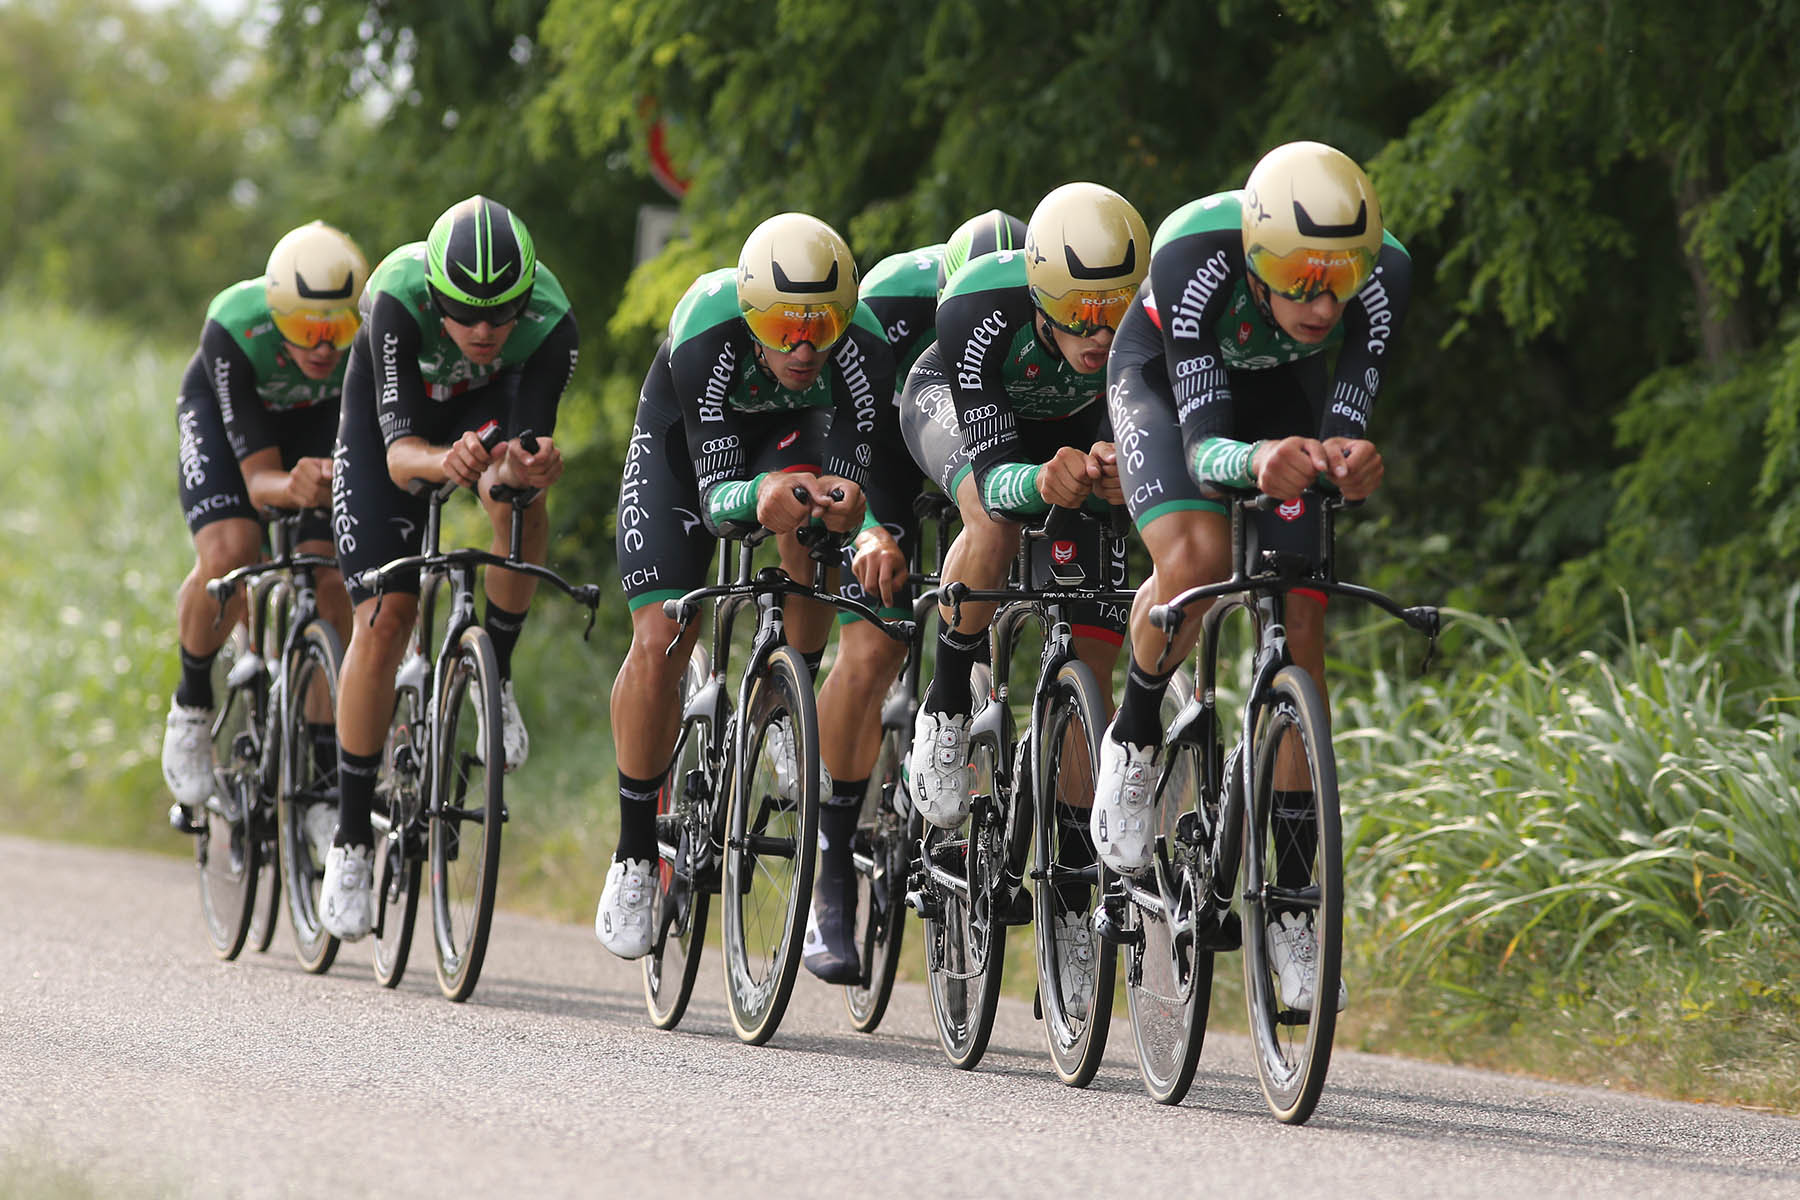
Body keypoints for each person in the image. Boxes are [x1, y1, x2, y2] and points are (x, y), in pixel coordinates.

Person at [1101, 140, 1413, 1012]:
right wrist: (1259, 458)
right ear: (1255, 254)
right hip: (1168, 386)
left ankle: (1294, 913)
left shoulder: (1383, 277)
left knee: (1301, 629)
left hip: (1279, 396)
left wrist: (1348, 459)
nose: (1322, 303)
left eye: (1339, 282)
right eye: (1300, 278)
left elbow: (1345, 414)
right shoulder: (1193, 254)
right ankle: (1132, 738)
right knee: (1196, 559)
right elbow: (1204, 450)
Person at [596, 213, 895, 968]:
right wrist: (755, 495)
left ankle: (785, 702)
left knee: (815, 510)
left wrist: (849, 502)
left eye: (819, 327)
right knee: (663, 637)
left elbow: (858, 471)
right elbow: (713, 492)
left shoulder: (862, 350)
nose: (802, 347)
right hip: (688, 451)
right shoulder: (708, 330)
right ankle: (635, 852)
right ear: (750, 311)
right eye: (782, 327)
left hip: (793, 441)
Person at [900, 183, 1147, 1014]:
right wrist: (1041, 477)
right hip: (967, 416)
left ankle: (1071, 907)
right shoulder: (980, 305)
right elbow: (1004, 465)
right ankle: (941, 707)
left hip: (1067, 438)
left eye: (1112, 313)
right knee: (993, 522)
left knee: (1092, 661)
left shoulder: (1138, 324)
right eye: (1077, 314)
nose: (1098, 333)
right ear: (1040, 296)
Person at [319, 195, 579, 940]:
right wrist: (443, 459)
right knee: (387, 614)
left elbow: (522, 447)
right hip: (393, 431)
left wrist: (532, 460)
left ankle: (491, 670)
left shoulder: (551, 322)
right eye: (467, 314)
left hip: (484, 414)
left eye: (503, 315)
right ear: (439, 298)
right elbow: (401, 459)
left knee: (517, 493)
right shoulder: (398, 300)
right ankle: (349, 841)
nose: (486, 330)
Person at [805, 209, 1025, 981]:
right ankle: (830, 862)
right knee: (874, 638)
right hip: (888, 451)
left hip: (992, 435)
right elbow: (847, 436)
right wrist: (871, 531)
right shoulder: (891, 302)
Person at [162, 221, 367, 828]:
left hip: (316, 424)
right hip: (233, 427)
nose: (324, 347)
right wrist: (292, 484)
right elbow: (258, 483)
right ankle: (193, 704)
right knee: (233, 548)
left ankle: (326, 779)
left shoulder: (374, 331)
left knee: (332, 580)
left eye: (339, 330)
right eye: (307, 329)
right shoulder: (236, 325)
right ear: (277, 313)